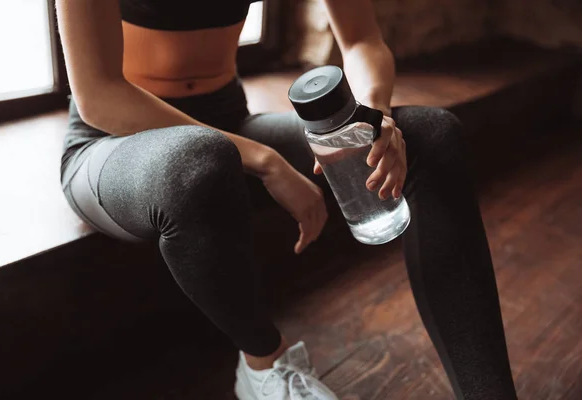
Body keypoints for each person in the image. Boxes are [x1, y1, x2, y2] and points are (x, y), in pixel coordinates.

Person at [56, 0, 519, 399]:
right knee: (200, 159)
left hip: (228, 122)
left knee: (433, 135)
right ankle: (263, 365)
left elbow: (361, 41)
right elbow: (100, 94)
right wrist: (265, 160)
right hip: (112, 143)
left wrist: (372, 117)